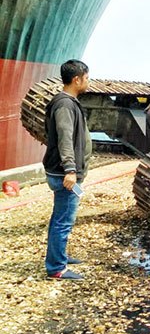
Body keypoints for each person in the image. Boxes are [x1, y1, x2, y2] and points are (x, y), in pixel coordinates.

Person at [43, 60, 92, 280]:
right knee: (63, 220)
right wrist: (70, 170)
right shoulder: (64, 105)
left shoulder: (67, 102)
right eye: (87, 77)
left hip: (64, 172)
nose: (88, 81)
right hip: (65, 174)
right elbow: (64, 138)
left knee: (60, 217)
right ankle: (56, 268)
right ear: (77, 79)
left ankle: (59, 255)